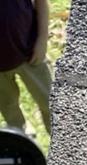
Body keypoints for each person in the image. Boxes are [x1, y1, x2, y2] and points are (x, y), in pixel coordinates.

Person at [0, 0, 52, 135]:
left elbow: (41, 3)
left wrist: (42, 40)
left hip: (30, 54)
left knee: (48, 101)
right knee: (8, 106)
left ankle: (61, 142)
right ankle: (20, 138)